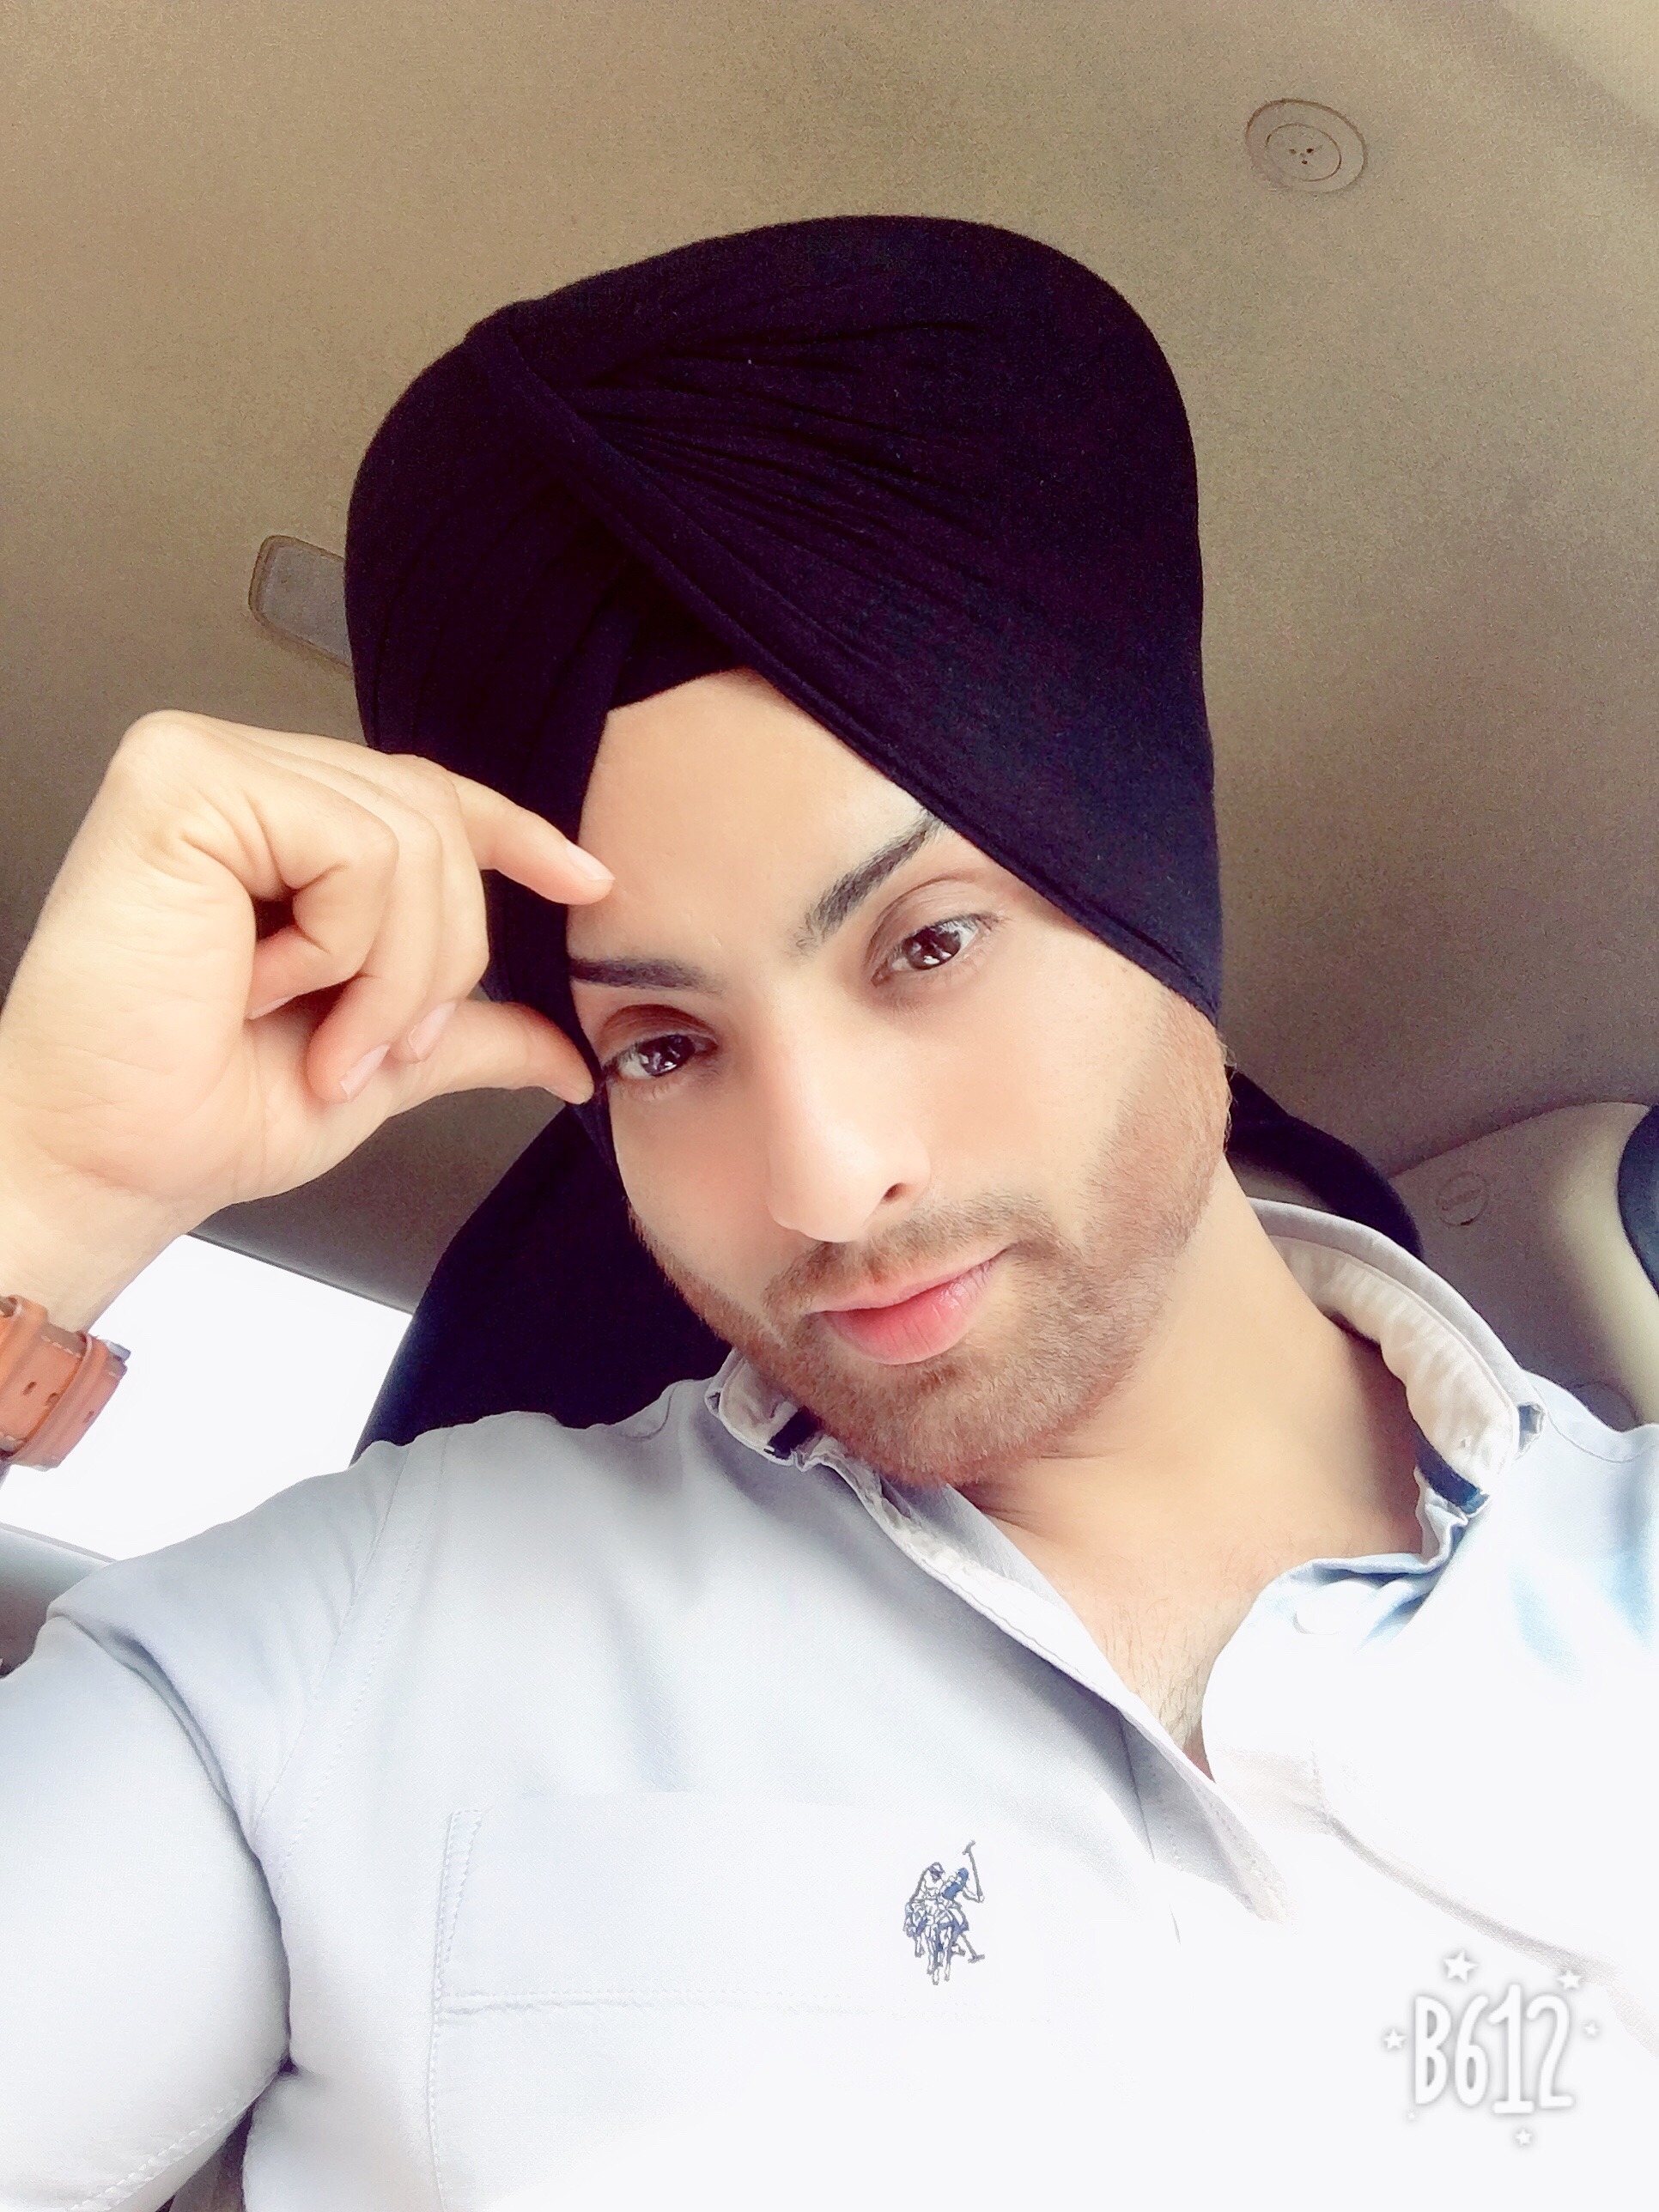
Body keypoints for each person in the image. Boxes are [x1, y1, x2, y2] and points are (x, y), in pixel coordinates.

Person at [0, 218, 1652, 2209]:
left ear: (1160, 893)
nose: (821, 1176)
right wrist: (43, 1187)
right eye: (667, 1045)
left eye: (927, 943)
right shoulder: (362, 1640)